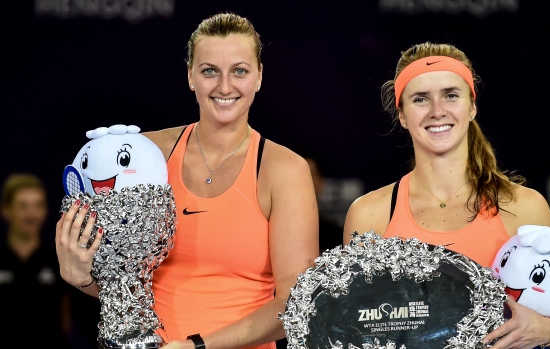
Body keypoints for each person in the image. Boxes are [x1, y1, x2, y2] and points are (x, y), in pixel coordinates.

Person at [55, 12, 319, 349]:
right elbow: (120, 282)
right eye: (210, 71)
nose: (225, 86)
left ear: (259, 77)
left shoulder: (284, 170)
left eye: (240, 71)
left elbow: (296, 305)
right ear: (191, 76)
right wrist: (80, 277)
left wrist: (198, 345)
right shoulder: (145, 154)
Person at [343, 42, 550, 348]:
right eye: (420, 99)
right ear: (402, 114)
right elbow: (353, 327)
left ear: (472, 106)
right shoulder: (369, 215)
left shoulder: (523, 207)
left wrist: (548, 331)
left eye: (451, 95)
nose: (437, 111)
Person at [0, 173, 71, 347]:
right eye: (23, 206)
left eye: (38, 205)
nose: (31, 214)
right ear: (6, 210)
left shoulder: (60, 259)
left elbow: (67, 319)